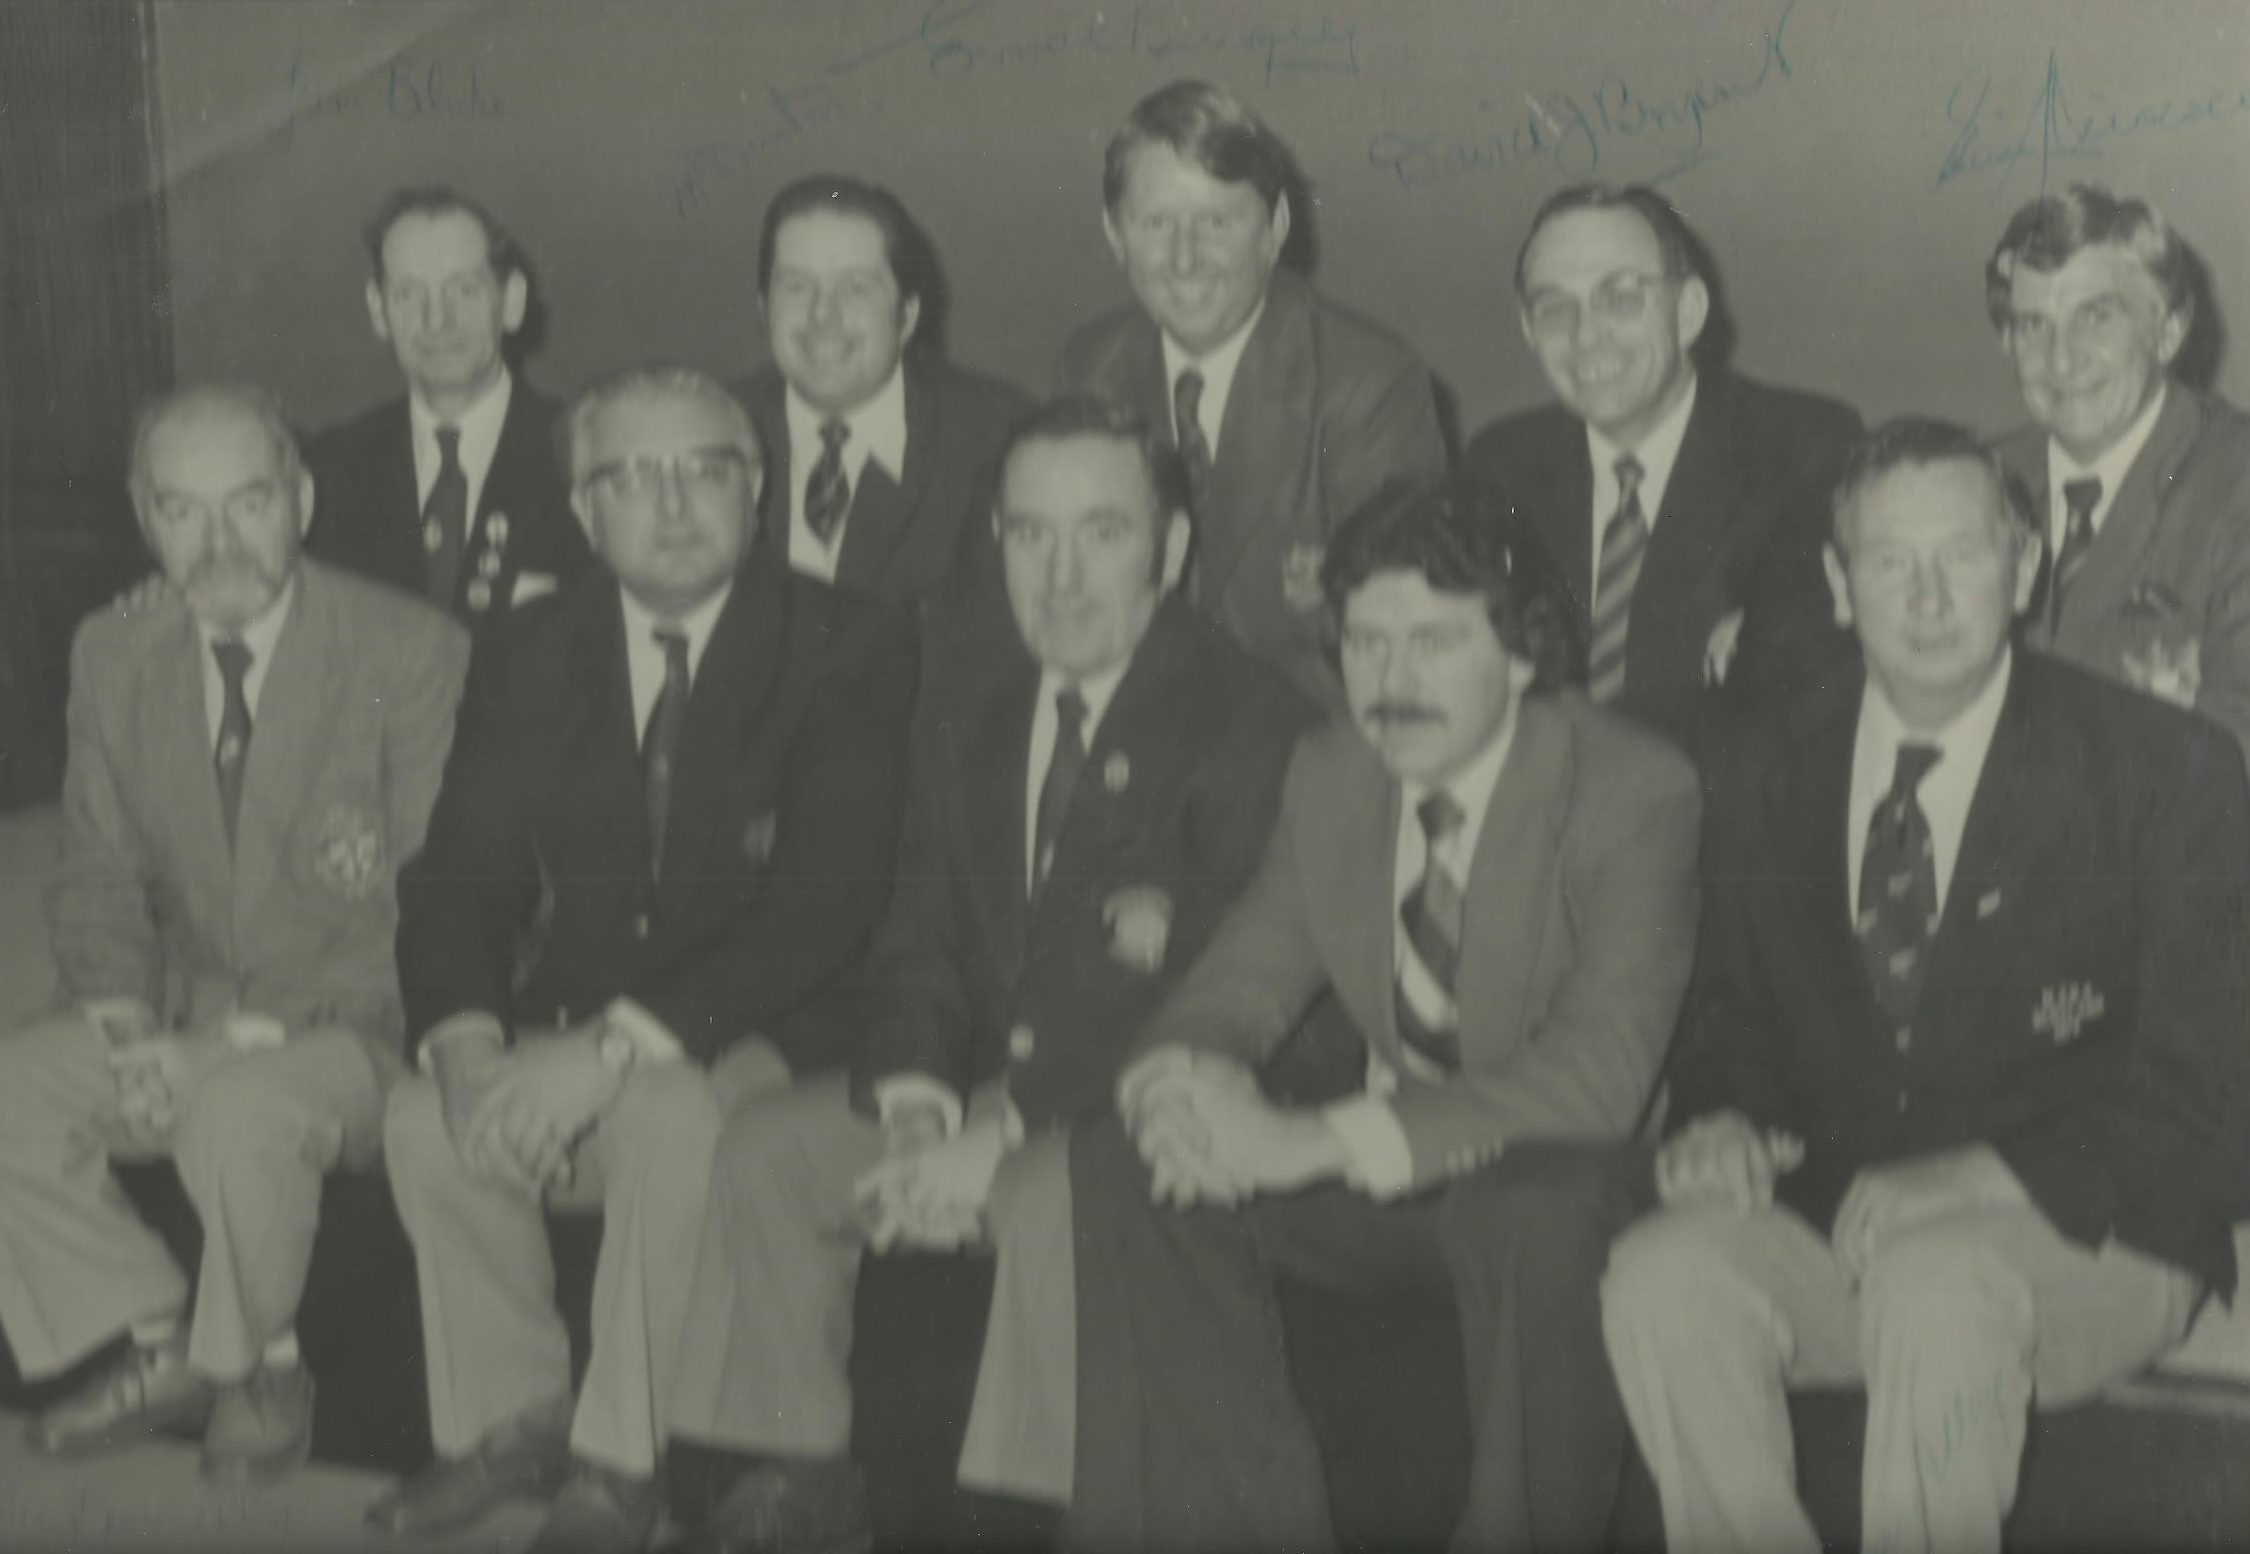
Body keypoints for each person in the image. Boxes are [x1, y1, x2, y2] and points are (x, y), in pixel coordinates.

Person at [664, 396, 1314, 1552]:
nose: (1060, 576)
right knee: (770, 1149)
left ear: (1169, 550)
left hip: (1129, 1098)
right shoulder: (968, 701)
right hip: (977, 1091)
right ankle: (801, 1480)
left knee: (1047, 1193)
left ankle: (1038, 1512)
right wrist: (917, 1107)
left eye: (1102, 534)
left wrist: (1001, 1128)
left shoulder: (1253, 721)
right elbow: (914, 930)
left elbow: (1194, 994)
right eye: (1029, 534)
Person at [1601, 418, 2250, 1554]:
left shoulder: (2166, 770)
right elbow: (1730, 1018)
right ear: (1838, 587)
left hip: (2097, 1235)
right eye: (1891, 562)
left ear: (2026, 566)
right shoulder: (1767, 764)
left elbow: (2217, 1098)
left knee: (1937, 1284)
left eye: (1963, 553)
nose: (1930, 595)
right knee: (1661, 1275)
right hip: (1850, 1227)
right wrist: (1716, 1121)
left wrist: (1980, 1175)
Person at [1064, 480, 1702, 1552]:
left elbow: (1600, 1078)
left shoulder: (1632, 789)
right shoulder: (1331, 772)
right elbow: (1242, 980)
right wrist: (1176, 1086)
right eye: (1365, 645)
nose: (1391, 683)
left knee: (1529, 1207)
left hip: (1572, 1174)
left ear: (1522, 655)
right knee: (1123, 1162)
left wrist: (1308, 1141)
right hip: (1394, 1176)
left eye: (1434, 644)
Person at [369, 366, 918, 1553]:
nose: (671, 504)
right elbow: (460, 872)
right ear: (582, 511)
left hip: (782, 1027)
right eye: (632, 477)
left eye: (705, 470)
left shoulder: (847, 644)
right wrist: (469, 1052)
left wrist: (609, 1051)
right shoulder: (528, 646)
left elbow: (827, 904)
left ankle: (623, 1465)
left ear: (756, 488)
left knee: (667, 1115)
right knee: (420, 1118)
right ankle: (521, 1418)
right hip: (584, 1023)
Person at [0, 384, 467, 1480]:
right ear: (141, 515)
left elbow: (435, 908)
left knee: (241, 1106)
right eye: (181, 511)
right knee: (11, 1090)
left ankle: (260, 1367)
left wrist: (219, 1047)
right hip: (180, 1006)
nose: (217, 544)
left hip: (367, 1022)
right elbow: (98, 871)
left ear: (299, 498)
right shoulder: (112, 655)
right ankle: (161, 1338)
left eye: (248, 502)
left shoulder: (410, 652)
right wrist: (122, 1026)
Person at [1059, 78, 1447, 704]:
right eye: (1156, 223)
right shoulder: (1089, 367)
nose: (1184, 258)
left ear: (1274, 228)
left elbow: (1392, 645)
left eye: (1216, 221)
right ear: (1114, 235)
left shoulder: (1370, 383)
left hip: (1300, 737)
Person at [1466, 183, 1861, 751]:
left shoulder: (1803, 449)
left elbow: (1792, 692)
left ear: (1689, 312)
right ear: (1529, 332)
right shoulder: (1501, 464)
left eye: (1621, 298)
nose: (1586, 335)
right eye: (1554, 309)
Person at [1987, 184, 2250, 762]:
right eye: (2033, 326)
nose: (2062, 359)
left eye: (2096, 318)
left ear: (2169, 332)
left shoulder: (2236, 482)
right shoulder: (1979, 479)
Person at [734, 173, 1028, 629]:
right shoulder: (714, 431)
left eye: (855, 287)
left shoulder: (998, 435)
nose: (822, 315)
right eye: (796, 286)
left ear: (906, 315)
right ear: (762, 309)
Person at [306, 184, 590, 619]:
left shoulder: (582, 453)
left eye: (463, 290)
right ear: (378, 310)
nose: (437, 319)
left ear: (511, 302)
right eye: (408, 294)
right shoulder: (329, 469)